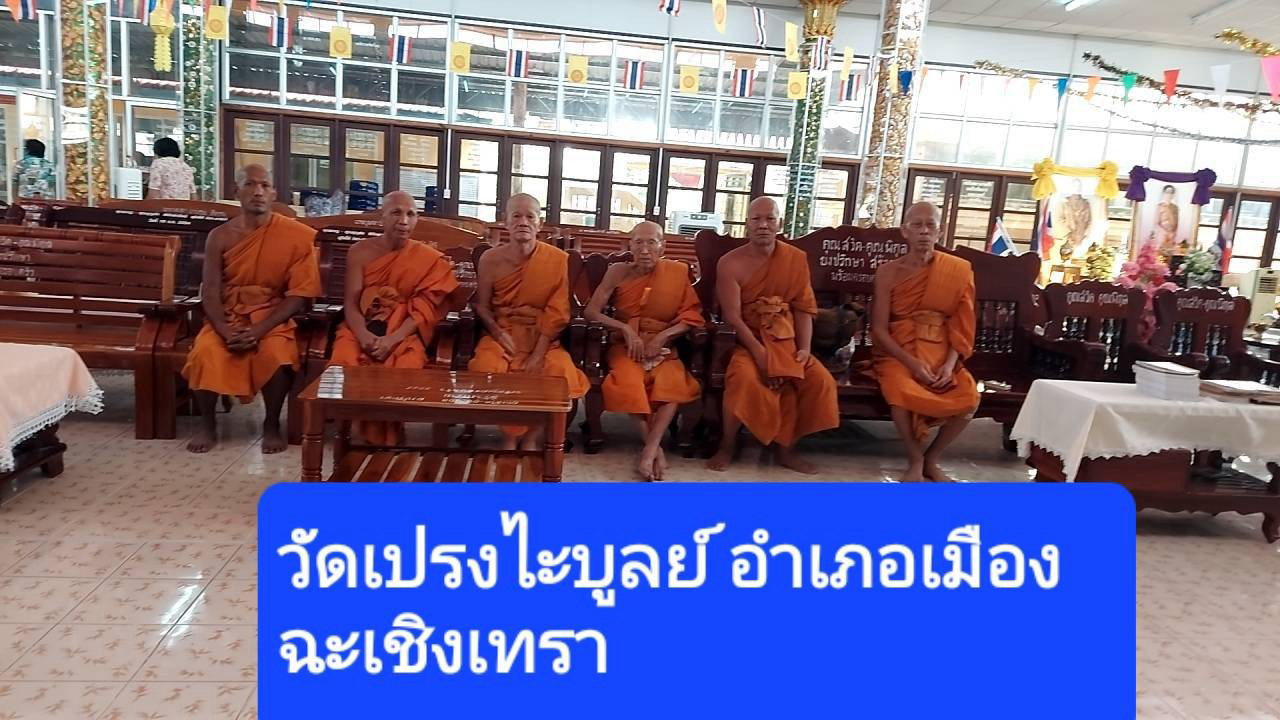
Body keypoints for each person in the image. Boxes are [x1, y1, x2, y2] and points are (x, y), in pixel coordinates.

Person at [182, 164, 321, 453]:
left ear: (274, 193)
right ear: (237, 191)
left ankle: (271, 423)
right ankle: (207, 424)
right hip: (228, 316)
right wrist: (223, 329)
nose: (258, 192)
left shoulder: (295, 235)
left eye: (264, 185)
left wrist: (259, 330)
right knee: (205, 352)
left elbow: (298, 295)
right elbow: (210, 290)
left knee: (277, 355)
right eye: (250, 184)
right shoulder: (219, 236)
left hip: (272, 317)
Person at [707, 197, 839, 474]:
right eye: (756, 219)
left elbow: (803, 308)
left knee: (820, 382)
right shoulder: (730, 263)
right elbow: (732, 316)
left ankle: (787, 449)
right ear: (747, 224)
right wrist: (759, 353)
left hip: (786, 342)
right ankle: (727, 444)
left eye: (770, 219)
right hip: (748, 342)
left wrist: (804, 349)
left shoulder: (795, 259)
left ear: (780, 223)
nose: (763, 225)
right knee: (742, 379)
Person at [328, 190, 460, 445]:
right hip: (361, 326)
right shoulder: (359, 252)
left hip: (404, 332)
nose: (404, 221)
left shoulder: (429, 259)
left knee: (406, 363)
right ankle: (354, 427)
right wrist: (363, 336)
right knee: (345, 359)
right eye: (396, 213)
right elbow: (351, 303)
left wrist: (393, 339)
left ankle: (390, 429)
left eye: (411, 214)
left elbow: (424, 310)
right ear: (382, 217)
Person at [583, 221, 704, 481]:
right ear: (630, 245)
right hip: (625, 345)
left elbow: (691, 316)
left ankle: (649, 449)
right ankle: (654, 448)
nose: (645, 249)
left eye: (652, 242)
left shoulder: (677, 273)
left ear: (663, 247)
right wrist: (625, 329)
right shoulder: (617, 271)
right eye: (638, 242)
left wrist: (663, 336)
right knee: (629, 382)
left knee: (672, 383)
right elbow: (591, 311)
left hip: (662, 345)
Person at [468, 193, 588, 450]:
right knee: (485, 366)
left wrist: (538, 353)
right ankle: (509, 436)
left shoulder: (557, 259)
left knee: (559, 371)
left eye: (530, 216)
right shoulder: (490, 259)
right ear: (505, 221)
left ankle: (532, 436)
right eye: (516, 216)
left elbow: (557, 312)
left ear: (539, 223)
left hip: (542, 336)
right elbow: (482, 306)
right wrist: (498, 333)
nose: (523, 222)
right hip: (504, 332)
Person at [871, 202, 979, 482]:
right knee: (899, 393)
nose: (924, 231)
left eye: (930, 225)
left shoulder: (958, 271)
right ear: (904, 231)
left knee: (969, 398)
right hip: (899, 353)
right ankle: (915, 459)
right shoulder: (888, 272)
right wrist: (912, 364)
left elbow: (961, 325)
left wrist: (949, 365)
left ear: (940, 231)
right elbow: (879, 330)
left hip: (942, 352)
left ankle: (932, 458)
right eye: (917, 225)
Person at [1153, 184, 1181, 255]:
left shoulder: (1175, 207)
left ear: (1173, 195)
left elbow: (1176, 223)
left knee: (1170, 253)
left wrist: (1172, 233)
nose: (1169, 194)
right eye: (1167, 192)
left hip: (1172, 236)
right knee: (1160, 254)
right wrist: (1164, 232)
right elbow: (1156, 222)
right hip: (1161, 235)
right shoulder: (1159, 206)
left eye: (1171, 192)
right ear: (1164, 193)